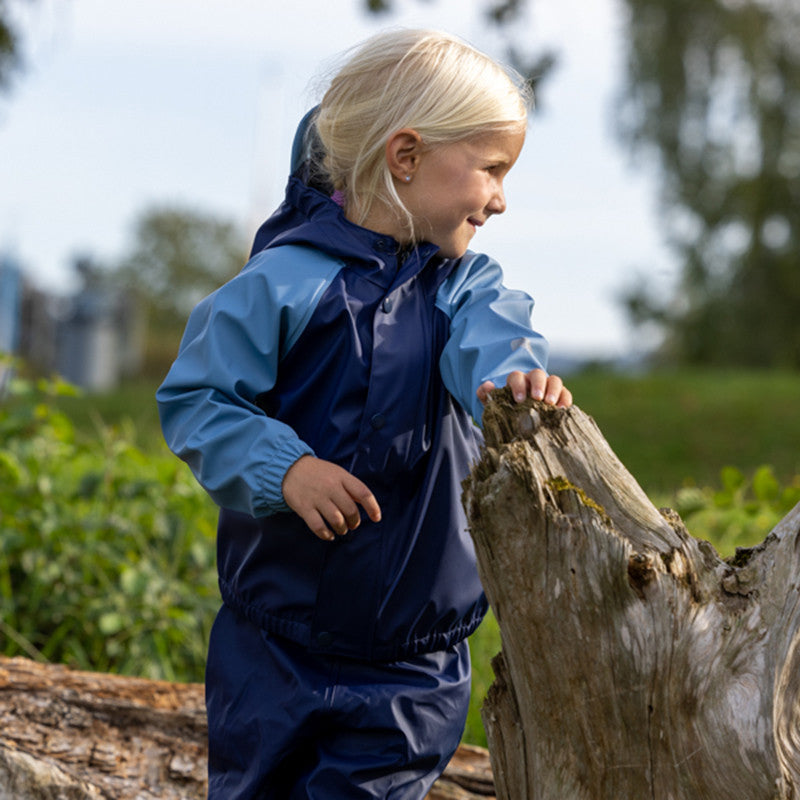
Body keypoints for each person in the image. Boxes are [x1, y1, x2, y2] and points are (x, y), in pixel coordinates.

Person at [156, 27, 572, 800]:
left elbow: (495, 334)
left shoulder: (461, 286)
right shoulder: (279, 283)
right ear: (406, 157)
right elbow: (197, 400)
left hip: (410, 660)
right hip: (270, 646)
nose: (501, 199)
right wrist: (288, 468)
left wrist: (516, 379)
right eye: (490, 169)